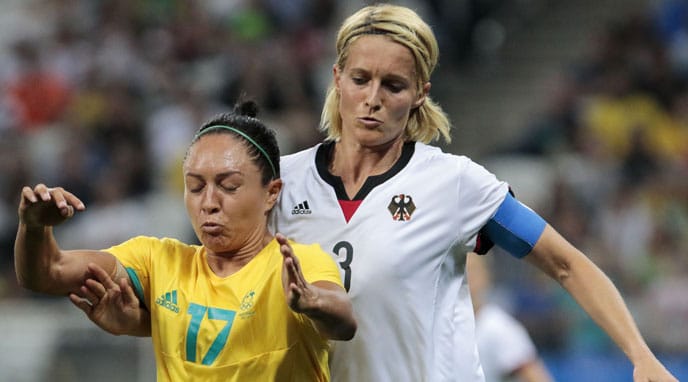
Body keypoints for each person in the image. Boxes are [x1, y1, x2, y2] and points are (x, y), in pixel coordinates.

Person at [75, 4, 678, 382]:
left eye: (394, 84)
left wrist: (641, 356)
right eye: (360, 79)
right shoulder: (276, 182)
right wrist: (139, 320)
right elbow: (216, 292)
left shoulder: (455, 185)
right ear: (337, 79)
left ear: (419, 92)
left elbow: (567, 265)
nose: (373, 97)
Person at [14, 100, 357, 382]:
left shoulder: (292, 263)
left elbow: (342, 321)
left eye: (229, 186)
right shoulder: (157, 260)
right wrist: (33, 228)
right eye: (195, 187)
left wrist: (313, 303)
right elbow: (46, 273)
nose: (208, 201)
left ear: (271, 194)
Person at [467, 253, 554, 382]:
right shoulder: (443, 329)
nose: (466, 279)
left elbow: (537, 377)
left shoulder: (498, 328)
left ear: (485, 277)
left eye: (471, 271)